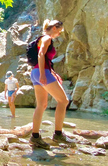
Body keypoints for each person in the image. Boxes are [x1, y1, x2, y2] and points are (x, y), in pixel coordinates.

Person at [29, 19, 76, 149]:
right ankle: (58, 134)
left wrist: (51, 73)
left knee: (42, 105)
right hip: (41, 72)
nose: (59, 34)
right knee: (63, 101)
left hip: (35, 73)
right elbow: (41, 54)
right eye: (59, 31)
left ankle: (35, 136)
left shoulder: (41, 38)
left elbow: (46, 59)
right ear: (54, 27)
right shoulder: (46, 38)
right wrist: (44, 74)